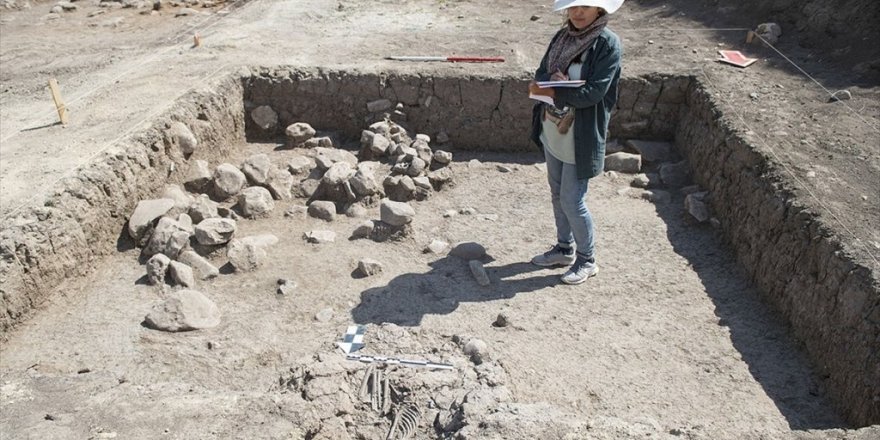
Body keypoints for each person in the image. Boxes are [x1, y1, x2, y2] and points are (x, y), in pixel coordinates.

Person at [528, 0, 623, 284]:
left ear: (599, 10)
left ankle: (587, 259)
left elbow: (594, 93)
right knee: (557, 194)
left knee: (573, 200)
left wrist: (557, 88)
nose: (578, 12)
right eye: (573, 6)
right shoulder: (562, 37)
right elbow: (540, 75)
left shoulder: (607, 43)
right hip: (554, 129)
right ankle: (564, 248)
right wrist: (553, 81)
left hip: (579, 136)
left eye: (586, 6)